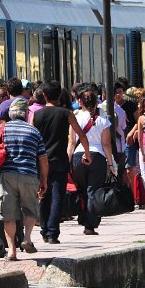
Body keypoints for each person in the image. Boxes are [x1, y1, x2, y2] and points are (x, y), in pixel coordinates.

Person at [0, 98, 48, 259]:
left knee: (9, 214)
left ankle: (12, 250)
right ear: (26, 114)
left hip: (7, 175)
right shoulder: (34, 131)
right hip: (29, 174)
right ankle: (27, 238)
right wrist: (44, 180)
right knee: (30, 208)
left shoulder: (1, 129)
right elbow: (42, 158)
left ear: (11, 114)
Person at [33, 80, 91, 244]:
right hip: (59, 159)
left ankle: (44, 229)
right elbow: (81, 134)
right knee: (58, 195)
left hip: (41, 159)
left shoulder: (36, 115)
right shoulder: (66, 113)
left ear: (44, 95)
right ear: (60, 95)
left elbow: (32, 136)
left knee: (43, 194)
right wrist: (87, 153)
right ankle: (52, 232)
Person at [68, 86, 115, 234]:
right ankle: (90, 225)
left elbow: (71, 142)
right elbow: (106, 144)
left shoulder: (75, 117)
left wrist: (68, 160)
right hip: (97, 157)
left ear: (80, 102)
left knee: (82, 190)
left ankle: (82, 217)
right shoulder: (103, 120)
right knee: (93, 190)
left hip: (78, 156)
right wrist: (111, 163)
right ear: (96, 103)